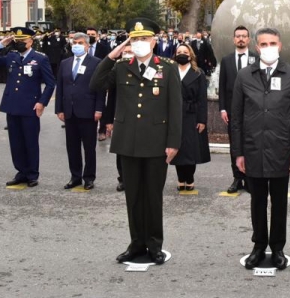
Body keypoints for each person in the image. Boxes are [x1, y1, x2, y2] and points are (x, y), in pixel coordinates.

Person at [90, 18, 182, 264]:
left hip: (155, 142)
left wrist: (173, 142)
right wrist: (116, 52)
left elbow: (175, 108)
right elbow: (95, 84)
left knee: (153, 197)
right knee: (133, 197)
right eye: (136, 39)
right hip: (127, 142)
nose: (140, 43)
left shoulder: (168, 67)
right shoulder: (121, 66)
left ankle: (154, 245)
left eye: (144, 38)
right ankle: (136, 244)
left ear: (154, 41)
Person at [231, 27, 290, 270]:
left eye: (272, 43)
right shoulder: (244, 76)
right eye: (263, 44)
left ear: (280, 45)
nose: (268, 48)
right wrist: (238, 153)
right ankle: (258, 245)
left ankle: (277, 248)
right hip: (253, 150)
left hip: (281, 151)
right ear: (256, 48)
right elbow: (236, 119)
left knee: (279, 202)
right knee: (257, 202)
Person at [0, 27, 55, 187]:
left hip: (30, 106)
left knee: (30, 141)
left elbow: (51, 84)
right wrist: (0, 45)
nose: (19, 44)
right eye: (17, 41)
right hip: (12, 105)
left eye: (22, 41)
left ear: (30, 41)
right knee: (16, 142)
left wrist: (42, 102)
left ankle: (32, 174)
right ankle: (21, 172)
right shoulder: (11, 56)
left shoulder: (40, 58)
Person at [55, 32, 104, 190]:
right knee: (72, 147)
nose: (77, 45)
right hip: (70, 111)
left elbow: (100, 89)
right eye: (74, 42)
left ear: (87, 46)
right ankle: (75, 176)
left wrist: (98, 109)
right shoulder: (65, 63)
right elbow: (60, 87)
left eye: (81, 42)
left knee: (89, 147)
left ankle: (89, 177)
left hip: (88, 111)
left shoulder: (96, 62)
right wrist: (59, 109)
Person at [218, 26, 258, 193]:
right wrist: (222, 109)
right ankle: (237, 178)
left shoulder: (257, 59)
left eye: (244, 36)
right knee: (235, 145)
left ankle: (250, 179)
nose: (241, 39)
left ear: (248, 39)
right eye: (238, 36)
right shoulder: (226, 61)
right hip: (232, 112)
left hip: (252, 111)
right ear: (234, 39)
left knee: (250, 145)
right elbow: (221, 86)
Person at [170, 43, 210, 190]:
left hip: (191, 115)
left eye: (185, 51)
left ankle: (190, 178)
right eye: (179, 51)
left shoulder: (198, 73)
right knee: (177, 148)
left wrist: (202, 120)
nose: (182, 54)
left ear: (190, 55)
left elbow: (202, 98)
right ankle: (180, 178)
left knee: (190, 149)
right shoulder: (170, 71)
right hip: (174, 114)